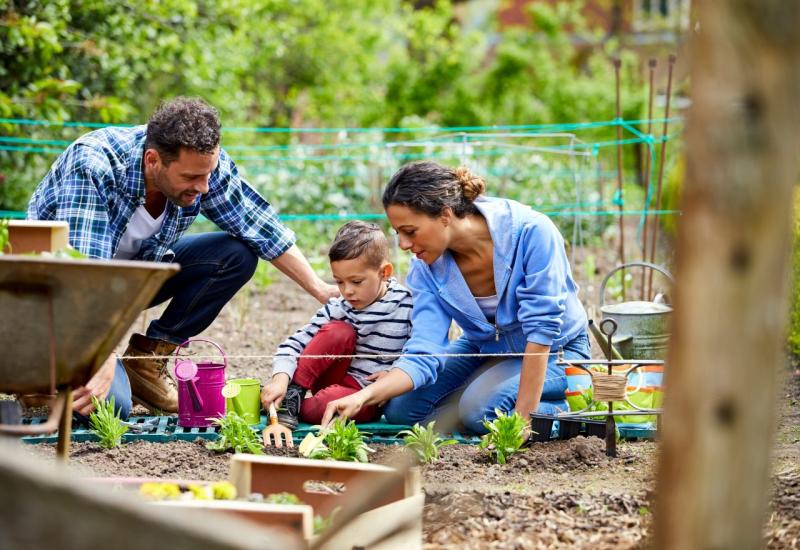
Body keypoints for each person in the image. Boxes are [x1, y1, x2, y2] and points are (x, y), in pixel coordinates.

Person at [27, 97, 337, 419]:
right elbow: (81, 275)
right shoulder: (93, 165)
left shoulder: (201, 166)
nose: (203, 187)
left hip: (126, 282)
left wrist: (320, 289)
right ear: (153, 161)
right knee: (111, 405)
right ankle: (36, 372)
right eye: (191, 178)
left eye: (207, 175)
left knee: (235, 255)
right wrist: (101, 358)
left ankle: (145, 363)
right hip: (55, 300)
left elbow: (259, 226)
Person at [321, 161, 590, 434]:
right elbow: (425, 348)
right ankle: (479, 396)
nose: (402, 244)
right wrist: (364, 396)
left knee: (481, 412)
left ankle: (579, 406)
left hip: (559, 351)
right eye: (398, 233)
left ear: (445, 215)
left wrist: (522, 421)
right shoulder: (426, 268)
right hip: (484, 349)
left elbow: (541, 331)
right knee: (401, 410)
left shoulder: (531, 232)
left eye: (410, 231)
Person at [260, 221, 413, 430]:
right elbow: (294, 344)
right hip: (334, 376)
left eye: (356, 282)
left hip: (366, 395)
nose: (347, 291)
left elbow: (419, 352)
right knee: (338, 331)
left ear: (384, 272)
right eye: (339, 282)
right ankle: (290, 397)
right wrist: (280, 379)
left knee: (324, 406)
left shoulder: (406, 305)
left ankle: (285, 405)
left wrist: (395, 372)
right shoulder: (340, 306)